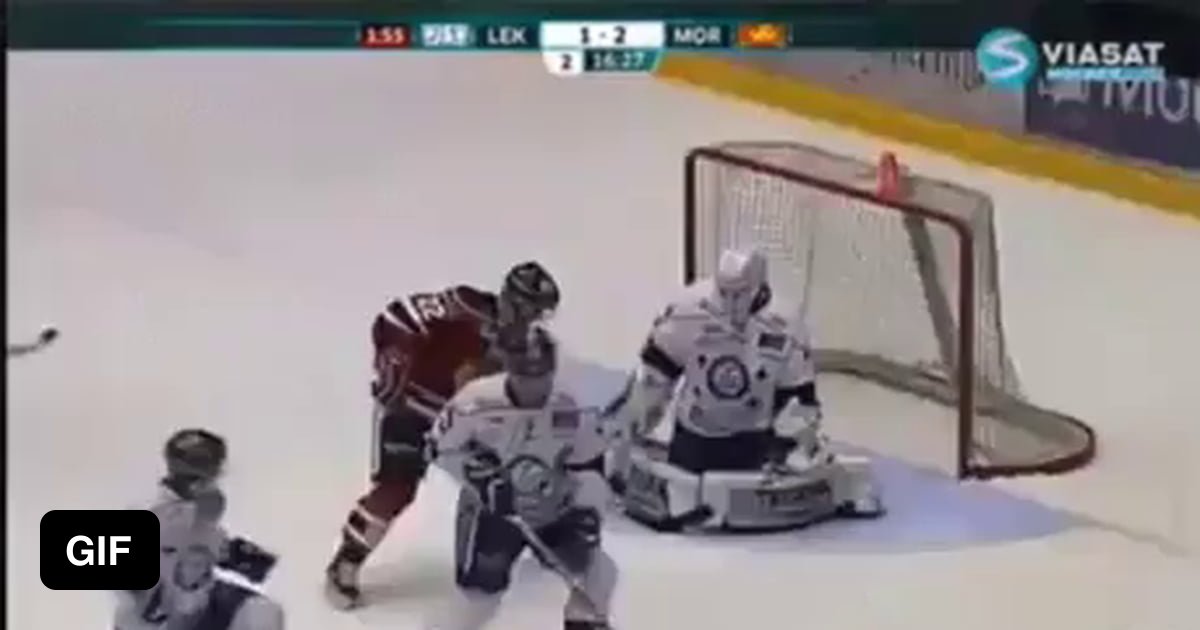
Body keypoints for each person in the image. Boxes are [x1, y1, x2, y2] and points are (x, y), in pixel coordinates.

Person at [325, 261, 560, 609]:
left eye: (539, 312)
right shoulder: (464, 307)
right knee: (396, 489)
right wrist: (393, 359)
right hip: (411, 409)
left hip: (467, 426)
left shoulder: (532, 347)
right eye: (528, 308)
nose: (532, 318)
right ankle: (346, 562)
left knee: (519, 477)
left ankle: (535, 548)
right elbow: (396, 318)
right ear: (510, 299)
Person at [608, 248, 882, 532]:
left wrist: (798, 441)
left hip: (754, 442)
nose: (730, 304)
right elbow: (655, 372)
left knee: (794, 421)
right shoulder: (688, 310)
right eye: (724, 293)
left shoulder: (786, 325)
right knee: (646, 392)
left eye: (739, 294)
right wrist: (634, 419)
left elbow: (800, 396)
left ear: (758, 287)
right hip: (695, 437)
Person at [427, 326, 623, 630]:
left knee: (597, 574)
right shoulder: (474, 402)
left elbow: (588, 464)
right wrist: (480, 476)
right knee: (479, 598)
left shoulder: (575, 405)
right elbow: (438, 448)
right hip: (488, 513)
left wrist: (587, 511)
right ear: (509, 370)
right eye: (525, 377)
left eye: (542, 375)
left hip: (554, 507)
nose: (535, 385)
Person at [115, 429, 283, 630]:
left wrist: (229, 552)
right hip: (157, 613)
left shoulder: (202, 506)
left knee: (261, 612)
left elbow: (203, 546)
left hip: (192, 600)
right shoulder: (158, 510)